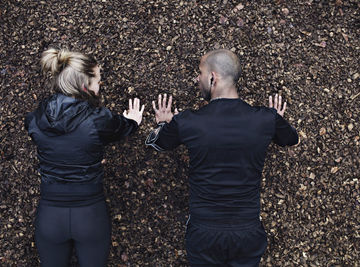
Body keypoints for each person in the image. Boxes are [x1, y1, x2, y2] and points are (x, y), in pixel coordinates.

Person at [146, 49, 298, 266]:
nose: (197, 79)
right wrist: (276, 122)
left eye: (199, 73)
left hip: (204, 232)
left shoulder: (187, 122)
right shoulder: (266, 120)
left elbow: (159, 144)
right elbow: (291, 140)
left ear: (212, 77)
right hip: (247, 230)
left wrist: (164, 123)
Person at [25, 47, 144, 267]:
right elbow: (121, 128)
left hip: (50, 215)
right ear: (83, 86)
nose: (100, 86)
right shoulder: (99, 120)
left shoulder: (35, 120)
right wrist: (133, 122)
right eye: (97, 81)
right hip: (90, 214)